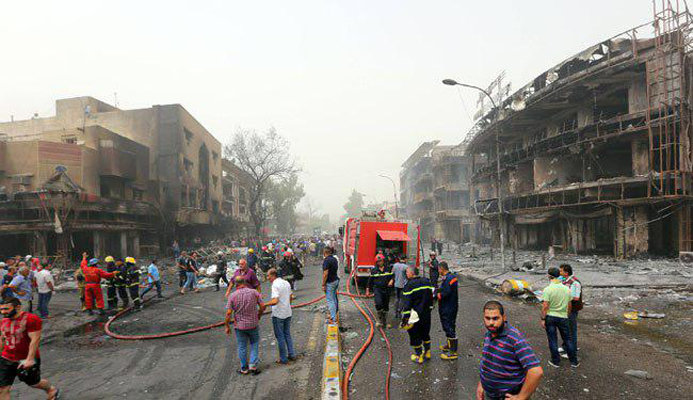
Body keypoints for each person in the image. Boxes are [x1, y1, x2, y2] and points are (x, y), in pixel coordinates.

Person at [477, 300, 543, 400]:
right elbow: (487, 362)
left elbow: (536, 372)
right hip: (490, 394)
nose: (491, 323)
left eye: (495, 318)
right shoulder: (489, 334)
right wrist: (482, 384)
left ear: (504, 318)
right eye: (487, 318)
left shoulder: (514, 339)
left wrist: (520, 397)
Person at [0, 297, 59, 399]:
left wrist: (30, 359)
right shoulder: (3, 321)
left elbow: (35, 340)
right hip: (7, 358)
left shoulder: (31, 319)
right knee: (2, 389)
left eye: (6, 309)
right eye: (1, 309)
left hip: (25, 359)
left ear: (18, 307)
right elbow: (2, 338)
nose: (3, 312)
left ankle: (51, 389)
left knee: (34, 383)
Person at [225, 276, 266, 375]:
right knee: (254, 344)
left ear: (235, 284)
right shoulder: (254, 292)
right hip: (253, 324)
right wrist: (259, 315)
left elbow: (228, 313)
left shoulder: (232, 296)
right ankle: (253, 366)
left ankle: (244, 368)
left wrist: (227, 326)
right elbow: (263, 306)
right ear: (245, 282)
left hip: (240, 326)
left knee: (242, 346)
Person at [542, 267, 578, 368]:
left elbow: (545, 306)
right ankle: (574, 361)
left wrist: (543, 319)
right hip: (563, 317)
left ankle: (556, 361)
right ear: (559, 275)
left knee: (553, 340)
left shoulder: (547, 289)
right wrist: (567, 314)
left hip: (551, 317)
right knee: (568, 339)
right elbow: (569, 305)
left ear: (549, 276)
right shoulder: (567, 289)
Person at [400, 266, 434, 364]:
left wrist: (405, 319)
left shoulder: (408, 286)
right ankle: (427, 352)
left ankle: (419, 356)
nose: (406, 274)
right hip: (426, 313)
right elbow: (431, 297)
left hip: (414, 315)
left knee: (414, 335)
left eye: (407, 272)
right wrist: (430, 308)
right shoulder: (426, 282)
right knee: (425, 333)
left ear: (412, 273)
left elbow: (407, 304)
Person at [265, 268, 296, 364]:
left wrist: (264, 305)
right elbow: (291, 296)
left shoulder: (275, 284)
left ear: (273, 275)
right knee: (287, 334)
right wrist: (287, 305)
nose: (267, 278)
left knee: (280, 337)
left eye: (268, 276)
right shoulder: (286, 282)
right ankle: (292, 354)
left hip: (278, 314)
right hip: (287, 312)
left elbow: (275, 301)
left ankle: (283, 358)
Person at [559, 263, 582, 359]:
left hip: (571, 309)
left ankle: (572, 352)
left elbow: (575, 298)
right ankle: (565, 346)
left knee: (571, 330)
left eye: (561, 271)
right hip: (565, 308)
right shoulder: (564, 280)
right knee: (565, 328)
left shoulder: (575, 282)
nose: (559, 272)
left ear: (566, 272)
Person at [436, 261, 459, 360]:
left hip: (448, 307)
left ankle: (453, 352)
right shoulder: (450, 277)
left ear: (442, 269)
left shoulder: (449, 278)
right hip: (450, 306)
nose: (438, 271)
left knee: (449, 327)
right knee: (449, 326)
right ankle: (449, 345)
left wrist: (437, 294)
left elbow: (446, 292)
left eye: (438, 269)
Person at [366, 254, 394, 328]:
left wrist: (392, 280)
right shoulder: (374, 270)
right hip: (377, 289)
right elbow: (370, 281)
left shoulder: (388, 269)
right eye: (378, 261)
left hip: (387, 289)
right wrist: (367, 290)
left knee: (386, 305)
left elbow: (393, 276)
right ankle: (380, 320)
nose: (380, 263)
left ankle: (384, 321)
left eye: (381, 261)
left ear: (383, 261)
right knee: (378, 303)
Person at [322, 247, 340, 324]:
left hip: (330, 282)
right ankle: (335, 315)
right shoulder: (334, 259)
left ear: (325, 253)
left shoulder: (326, 260)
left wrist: (323, 284)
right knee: (334, 298)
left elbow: (325, 274)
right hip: (336, 280)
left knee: (330, 300)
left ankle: (333, 318)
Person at [391, 255, 408, 320]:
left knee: (397, 298)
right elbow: (408, 276)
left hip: (396, 285)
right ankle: (399, 311)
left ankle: (395, 312)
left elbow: (392, 273)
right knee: (402, 299)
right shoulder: (406, 267)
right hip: (403, 285)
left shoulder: (395, 265)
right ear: (405, 259)